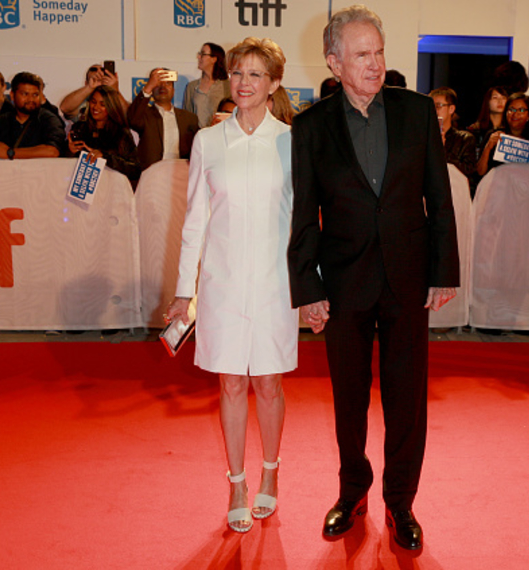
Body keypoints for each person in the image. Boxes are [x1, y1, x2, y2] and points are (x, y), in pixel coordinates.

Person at [287, 6, 459, 551]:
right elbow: (303, 214)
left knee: (407, 400)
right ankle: (352, 490)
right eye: (362, 54)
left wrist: (444, 269)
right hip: (343, 284)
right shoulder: (311, 126)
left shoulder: (416, 112)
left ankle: (401, 503)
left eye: (379, 51)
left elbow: (440, 196)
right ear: (335, 62)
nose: (375, 63)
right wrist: (308, 290)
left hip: (408, 279)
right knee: (349, 400)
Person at [165, 37, 297, 534]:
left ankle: (271, 473)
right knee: (232, 381)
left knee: (268, 382)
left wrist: (312, 289)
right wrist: (184, 290)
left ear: (274, 84)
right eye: (238, 73)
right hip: (220, 284)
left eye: (256, 75)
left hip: (274, 284)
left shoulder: (290, 140)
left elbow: (301, 223)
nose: (245, 83)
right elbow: (194, 220)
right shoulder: (207, 141)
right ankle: (237, 482)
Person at [0, 72, 65, 160]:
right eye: (25, 94)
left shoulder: (49, 119)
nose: (30, 99)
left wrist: (10, 153)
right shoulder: (1, 121)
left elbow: (52, 151)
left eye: (35, 95)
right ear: (12, 95)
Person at [128, 68, 199, 172]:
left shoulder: (189, 118)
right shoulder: (144, 115)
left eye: (167, 83)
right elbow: (132, 120)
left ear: (173, 90)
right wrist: (148, 87)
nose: (162, 87)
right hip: (151, 174)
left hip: (180, 174)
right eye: (158, 83)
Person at [67, 85, 141, 184]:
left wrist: (105, 157)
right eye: (93, 102)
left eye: (102, 104)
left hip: (111, 189)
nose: (96, 107)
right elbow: (63, 164)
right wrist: (70, 152)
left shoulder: (120, 133)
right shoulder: (79, 128)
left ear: (111, 106)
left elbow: (135, 169)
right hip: (82, 188)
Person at [477, 92, 529, 177]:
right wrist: (488, 147)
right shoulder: (493, 135)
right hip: (497, 187)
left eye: (521, 110)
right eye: (511, 109)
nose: (515, 114)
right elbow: (480, 172)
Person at [429, 87, 476, 181]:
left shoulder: (464, 139)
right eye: (430, 106)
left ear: (451, 109)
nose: (433, 110)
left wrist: (442, 151)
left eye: (438, 106)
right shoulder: (423, 137)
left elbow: (468, 171)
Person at [59, 63, 129, 122]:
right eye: (94, 70)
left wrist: (115, 91)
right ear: (86, 83)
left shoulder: (116, 101)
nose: (99, 71)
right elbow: (64, 108)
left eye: (102, 69)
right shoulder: (83, 106)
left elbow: (131, 118)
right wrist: (90, 87)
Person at [183, 43, 230, 127]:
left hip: (220, 134)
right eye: (199, 54)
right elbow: (186, 117)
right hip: (198, 135)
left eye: (203, 54)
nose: (198, 57)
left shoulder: (227, 85)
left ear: (214, 59)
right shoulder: (192, 86)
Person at [466, 86, 508, 160]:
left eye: (503, 98)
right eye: (495, 98)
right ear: (487, 101)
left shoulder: (510, 128)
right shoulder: (475, 129)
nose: (500, 101)